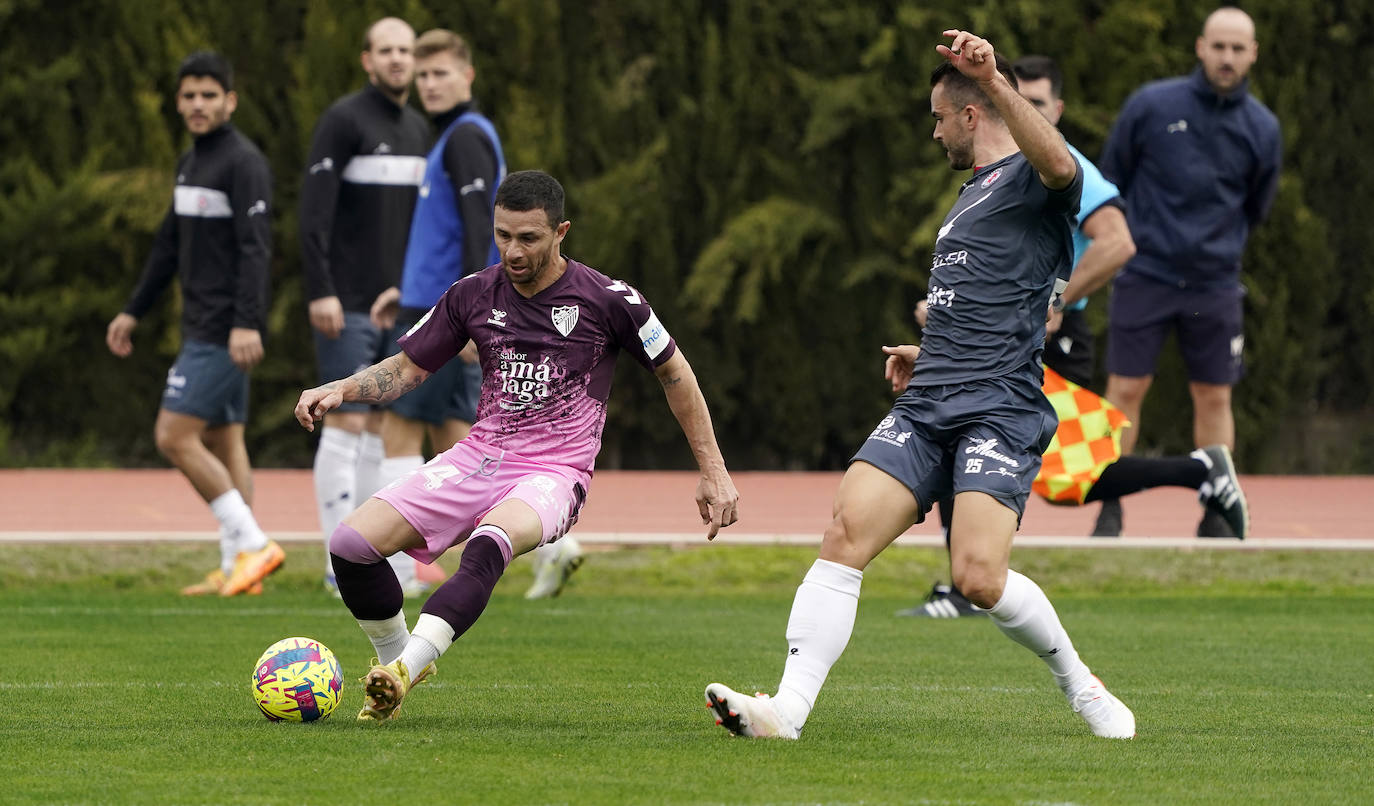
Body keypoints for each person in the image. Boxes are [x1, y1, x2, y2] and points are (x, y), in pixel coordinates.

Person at [705, 30, 1137, 741]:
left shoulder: (1033, 172)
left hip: (1000, 407)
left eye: (939, 117)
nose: (933, 131)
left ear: (971, 115)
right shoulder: (971, 197)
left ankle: (1080, 685)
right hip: (932, 396)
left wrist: (995, 78)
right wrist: (928, 350)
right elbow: (991, 299)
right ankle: (785, 712)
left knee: (977, 578)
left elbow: (1062, 165)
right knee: (843, 533)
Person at [294, 170, 740, 722]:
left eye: (528, 237)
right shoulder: (472, 294)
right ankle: (398, 664)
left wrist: (713, 470)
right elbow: (408, 369)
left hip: (555, 471)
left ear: (561, 233)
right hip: (478, 456)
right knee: (350, 546)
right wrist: (342, 387)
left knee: (489, 543)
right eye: (503, 235)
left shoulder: (610, 300)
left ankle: (405, 669)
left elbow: (675, 373)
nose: (513, 250)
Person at [908, 52, 1140, 617]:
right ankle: (965, 580)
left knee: (1060, 466)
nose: (1020, 112)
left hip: (1050, 333)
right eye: (1019, 100)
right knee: (990, 445)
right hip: (1005, 333)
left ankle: (1196, 472)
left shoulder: (1059, 160)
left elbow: (1118, 243)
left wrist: (1054, 302)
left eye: (1034, 105)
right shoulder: (986, 177)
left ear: (1054, 110)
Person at [1097, 6, 1281, 538]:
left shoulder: (1262, 128)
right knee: (1125, 391)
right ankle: (1110, 507)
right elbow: (1113, 181)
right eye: (1218, 46)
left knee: (1215, 396)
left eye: (1237, 49)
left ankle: (1215, 512)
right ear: (1201, 47)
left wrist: (1215, 247)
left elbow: (1257, 205)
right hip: (1145, 273)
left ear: (1252, 55)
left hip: (1215, 283)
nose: (1227, 58)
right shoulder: (1151, 105)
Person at [105, 52, 282, 597]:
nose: (198, 104)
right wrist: (134, 308)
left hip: (225, 330)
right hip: (203, 325)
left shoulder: (243, 162)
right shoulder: (190, 163)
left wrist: (247, 323)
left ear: (230, 101)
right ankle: (239, 569)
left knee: (173, 436)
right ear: (178, 102)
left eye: (210, 94)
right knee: (225, 440)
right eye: (189, 95)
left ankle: (253, 543)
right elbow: (167, 247)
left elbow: (257, 250)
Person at [367, 28, 508, 595]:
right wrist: (402, 289)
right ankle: (553, 546)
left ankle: (393, 574)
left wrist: (473, 313)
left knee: (394, 427)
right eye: (422, 75)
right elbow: (445, 233)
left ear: (468, 75)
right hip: (430, 298)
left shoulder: (465, 137)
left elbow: (482, 228)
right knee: (460, 438)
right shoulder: (454, 136)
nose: (429, 84)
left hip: (446, 308)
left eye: (441, 73)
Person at [300, 17, 432, 596]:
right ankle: (337, 562)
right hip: (348, 301)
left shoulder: (422, 131)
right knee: (347, 420)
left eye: (406, 50)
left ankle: (386, 561)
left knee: (391, 429)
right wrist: (320, 287)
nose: (398, 60)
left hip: (405, 306)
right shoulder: (343, 120)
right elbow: (313, 214)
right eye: (387, 50)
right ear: (367, 59)